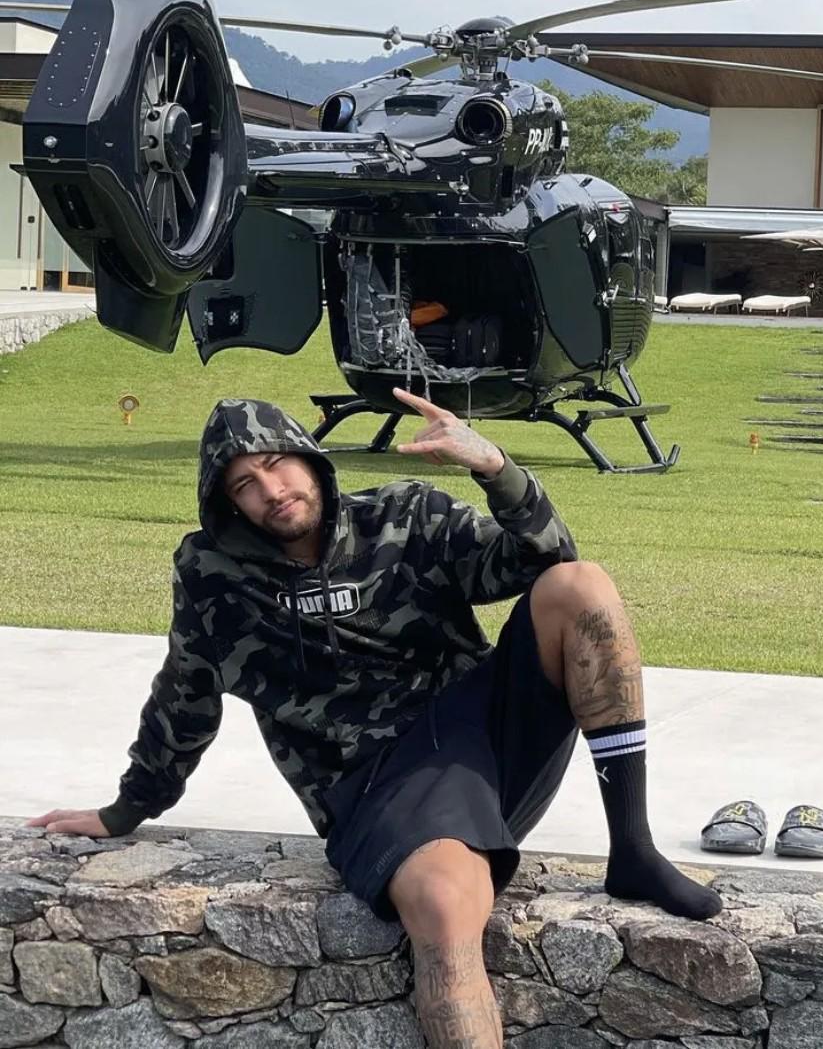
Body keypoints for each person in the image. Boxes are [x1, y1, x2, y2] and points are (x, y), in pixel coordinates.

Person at [28, 390, 720, 1048]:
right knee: (446, 910)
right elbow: (186, 693)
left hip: (478, 734)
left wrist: (494, 466)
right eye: (245, 484)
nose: (272, 490)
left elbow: (542, 557)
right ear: (227, 502)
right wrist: (127, 808)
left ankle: (632, 848)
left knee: (579, 585)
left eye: (277, 463)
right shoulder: (215, 576)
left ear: (308, 457)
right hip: (374, 785)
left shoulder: (404, 516)